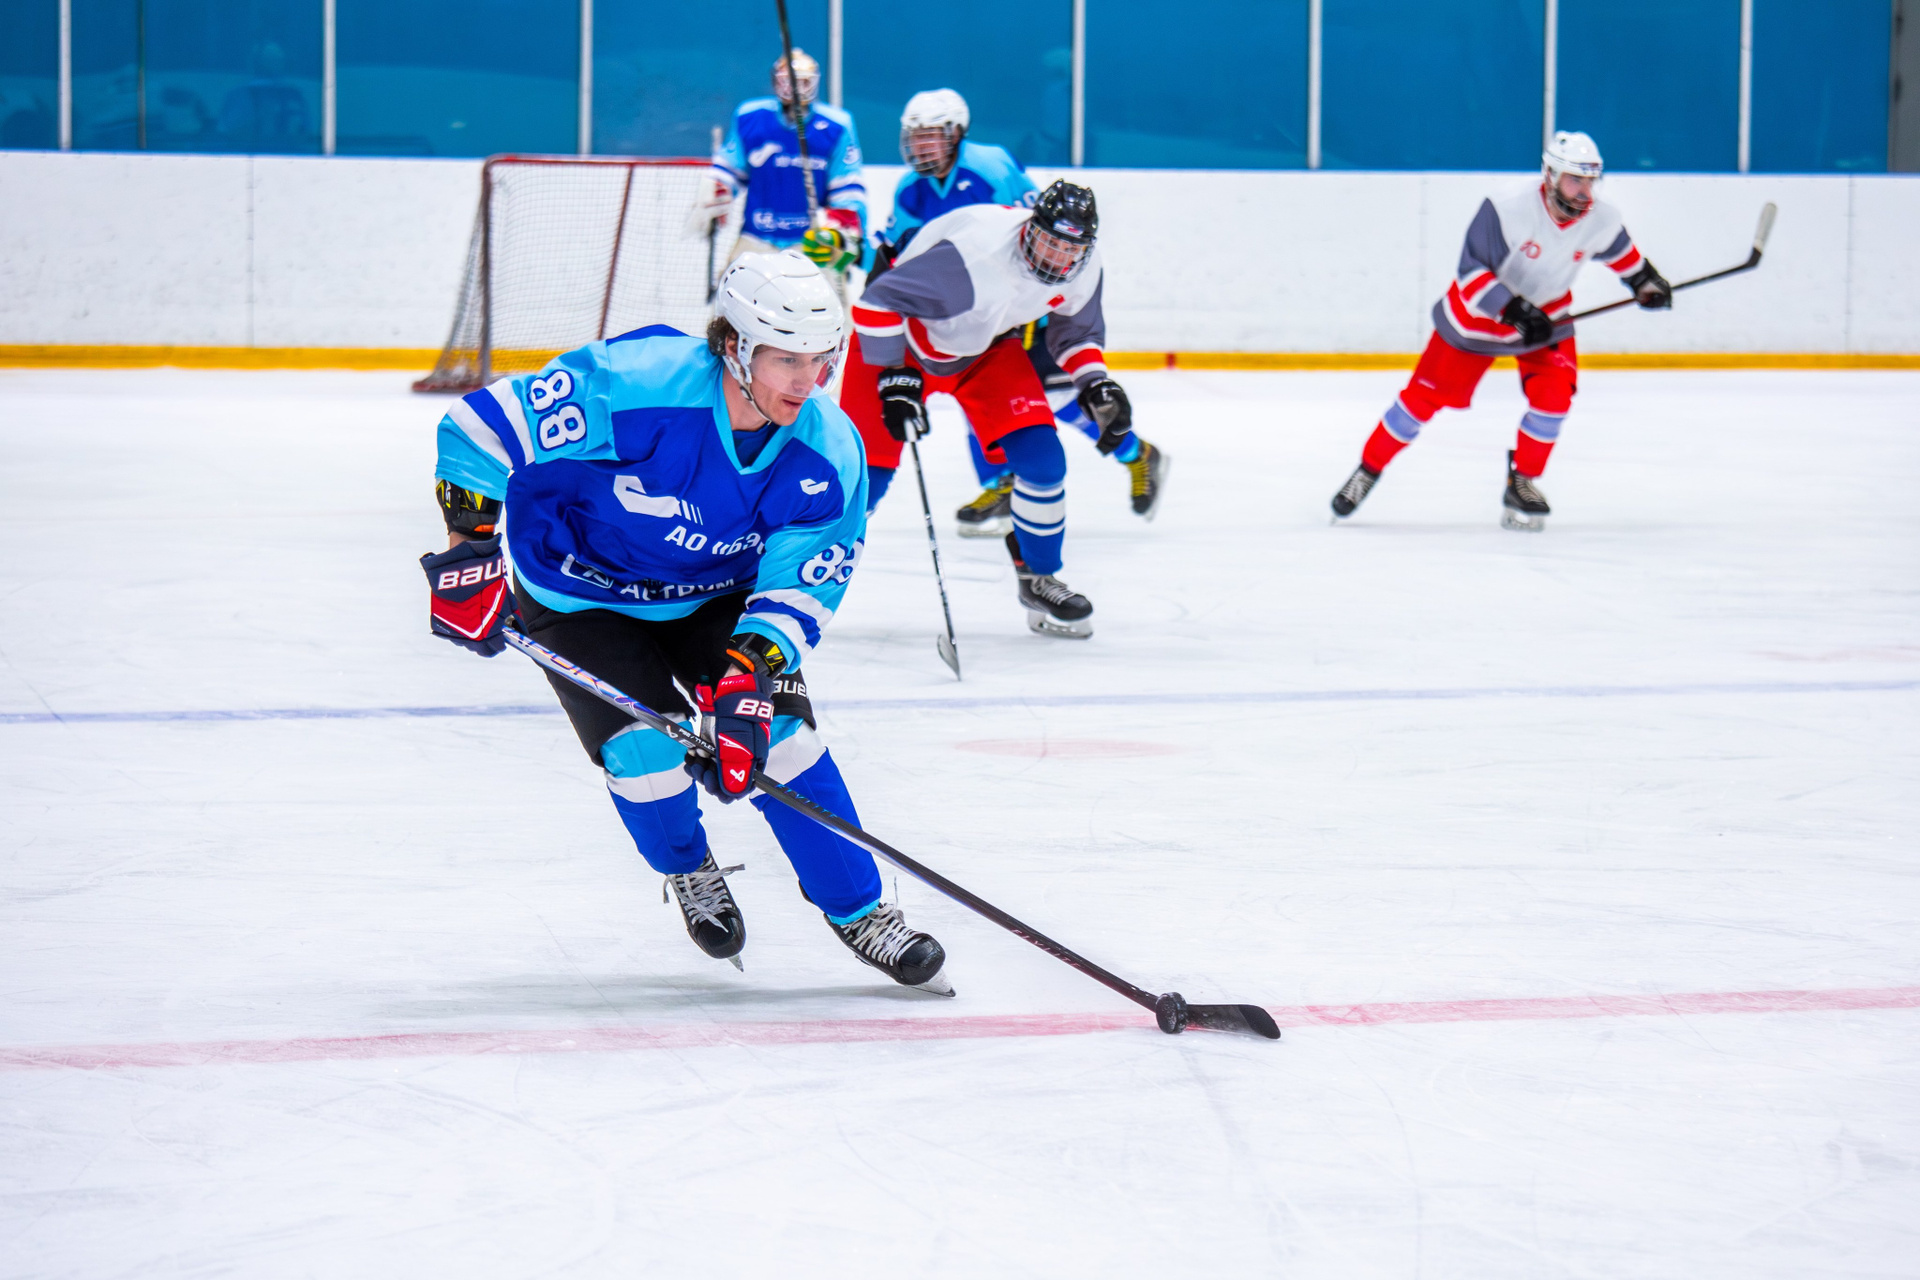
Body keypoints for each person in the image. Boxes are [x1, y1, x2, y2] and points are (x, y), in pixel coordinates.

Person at [420, 250, 951, 996]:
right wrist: (470, 551)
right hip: (578, 592)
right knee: (643, 755)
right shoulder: (634, 385)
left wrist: (750, 671)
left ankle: (861, 911)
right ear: (732, 346)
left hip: (713, 598)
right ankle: (688, 866)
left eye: (820, 360)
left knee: (781, 740)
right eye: (786, 359)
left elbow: (804, 581)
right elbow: (477, 429)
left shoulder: (829, 449)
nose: (807, 381)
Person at [1328, 130, 1672, 531]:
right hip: (1476, 321)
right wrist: (1512, 309)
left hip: (1547, 320)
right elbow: (1471, 272)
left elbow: (1625, 256)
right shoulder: (1507, 208)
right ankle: (1367, 470)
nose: (1584, 191)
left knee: (1555, 397)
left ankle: (1522, 481)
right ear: (1551, 175)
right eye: (1575, 180)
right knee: (1420, 401)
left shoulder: (1602, 217)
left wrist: (1646, 284)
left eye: (1590, 181)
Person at [873, 89, 1169, 534]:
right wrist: (853, 257)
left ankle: (1135, 453)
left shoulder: (989, 167)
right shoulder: (909, 188)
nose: (921, 146)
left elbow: (1041, 238)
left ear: (957, 134)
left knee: (1051, 398)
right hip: (965, 308)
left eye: (931, 135)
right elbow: (896, 251)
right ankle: (1003, 483)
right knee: (976, 389)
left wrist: (1034, 310)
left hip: (1022, 306)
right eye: (915, 137)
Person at [843, 180, 1129, 639]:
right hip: (899, 344)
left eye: (1069, 249)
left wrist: (1096, 383)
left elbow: (1075, 334)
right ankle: (788, 579)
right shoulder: (975, 254)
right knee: (861, 483)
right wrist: (894, 374)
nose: (1057, 257)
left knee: (1043, 463)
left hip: (985, 349)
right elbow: (875, 304)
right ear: (1029, 228)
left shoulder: (1085, 265)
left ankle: (1038, 577)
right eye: (1049, 242)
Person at [687, 50, 866, 300]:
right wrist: (717, 190)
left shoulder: (837, 125)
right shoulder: (750, 117)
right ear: (775, 82)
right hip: (756, 237)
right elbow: (730, 169)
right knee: (729, 307)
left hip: (810, 241)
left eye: (803, 81)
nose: (795, 89)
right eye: (788, 81)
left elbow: (847, 189)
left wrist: (839, 233)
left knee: (831, 311)